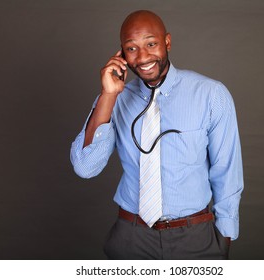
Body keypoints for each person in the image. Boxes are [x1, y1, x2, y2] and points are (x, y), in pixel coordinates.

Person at [70, 10, 243, 260]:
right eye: (131, 48)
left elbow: (227, 170)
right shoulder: (114, 100)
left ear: (167, 43)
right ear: (121, 54)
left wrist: (223, 240)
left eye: (151, 44)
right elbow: (85, 168)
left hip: (195, 236)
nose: (142, 57)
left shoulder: (211, 95)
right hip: (131, 237)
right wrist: (108, 95)